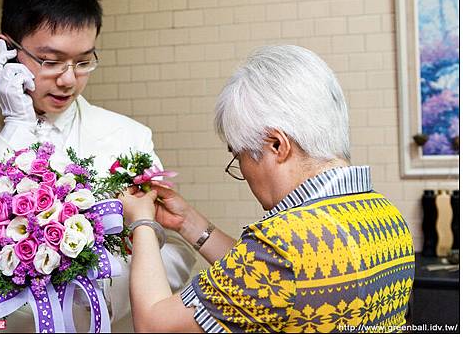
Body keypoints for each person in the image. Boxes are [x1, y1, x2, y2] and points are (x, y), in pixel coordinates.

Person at [0, 0, 195, 332]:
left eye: (83, 61)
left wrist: (100, 297)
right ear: (7, 50)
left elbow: (170, 253)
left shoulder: (129, 137)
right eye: (51, 61)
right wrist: (16, 125)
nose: (68, 80)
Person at [121, 45, 415, 333]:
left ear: (277, 145)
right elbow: (274, 285)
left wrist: (142, 222)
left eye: (240, 156)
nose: (244, 171)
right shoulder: (386, 215)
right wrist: (187, 222)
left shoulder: (283, 243)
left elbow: (153, 325)